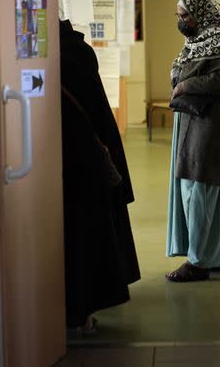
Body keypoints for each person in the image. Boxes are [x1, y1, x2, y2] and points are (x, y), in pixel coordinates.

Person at [59, 19, 141, 333]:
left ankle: (78, 312)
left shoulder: (59, 57)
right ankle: (86, 311)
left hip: (75, 160)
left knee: (79, 237)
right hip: (90, 158)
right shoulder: (79, 51)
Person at [165, 0, 220, 282]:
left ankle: (200, 262)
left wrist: (188, 86)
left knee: (201, 190)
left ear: (203, 13)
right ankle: (219, 254)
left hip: (214, 126)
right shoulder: (193, 43)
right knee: (204, 188)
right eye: (179, 16)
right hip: (192, 123)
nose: (182, 21)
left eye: (186, 15)